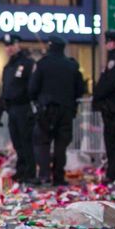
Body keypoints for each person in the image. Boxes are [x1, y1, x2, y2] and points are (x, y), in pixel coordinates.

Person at [29, 35, 85, 186]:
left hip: (46, 110)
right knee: (61, 144)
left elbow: (32, 88)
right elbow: (80, 89)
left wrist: (37, 100)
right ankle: (58, 177)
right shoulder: (71, 66)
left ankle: (44, 175)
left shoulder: (42, 64)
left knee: (43, 143)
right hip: (66, 110)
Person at [0, 33, 36, 183]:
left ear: (18, 44)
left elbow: (32, 87)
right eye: (7, 46)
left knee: (26, 141)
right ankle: (21, 170)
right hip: (11, 109)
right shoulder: (8, 67)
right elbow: (5, 91)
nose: (9, 48)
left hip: (23, 107)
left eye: (11, 45)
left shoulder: (27, 63)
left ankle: (29, 172)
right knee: (17, 142)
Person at [92, 31, 115, 183]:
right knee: (113, 140)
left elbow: (109, 83)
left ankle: (114, 173)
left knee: (112, 140)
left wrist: (98, 95)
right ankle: (114, 172)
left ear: (112, 43)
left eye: (107, 42)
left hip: (113, 106)